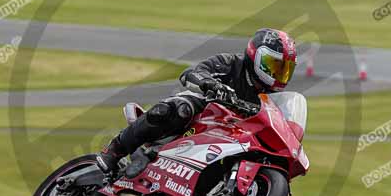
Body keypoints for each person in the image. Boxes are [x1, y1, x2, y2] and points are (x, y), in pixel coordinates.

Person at [96, 28, 297, 175]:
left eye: (285, 69)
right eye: (274, 65)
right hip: (203, 116)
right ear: (256, 55)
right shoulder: (231, 64)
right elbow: (191, 73)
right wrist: (212, 85)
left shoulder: (271, 99)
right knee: (180, 109)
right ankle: (115, 150)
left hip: (230, 135)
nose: (279, 74)